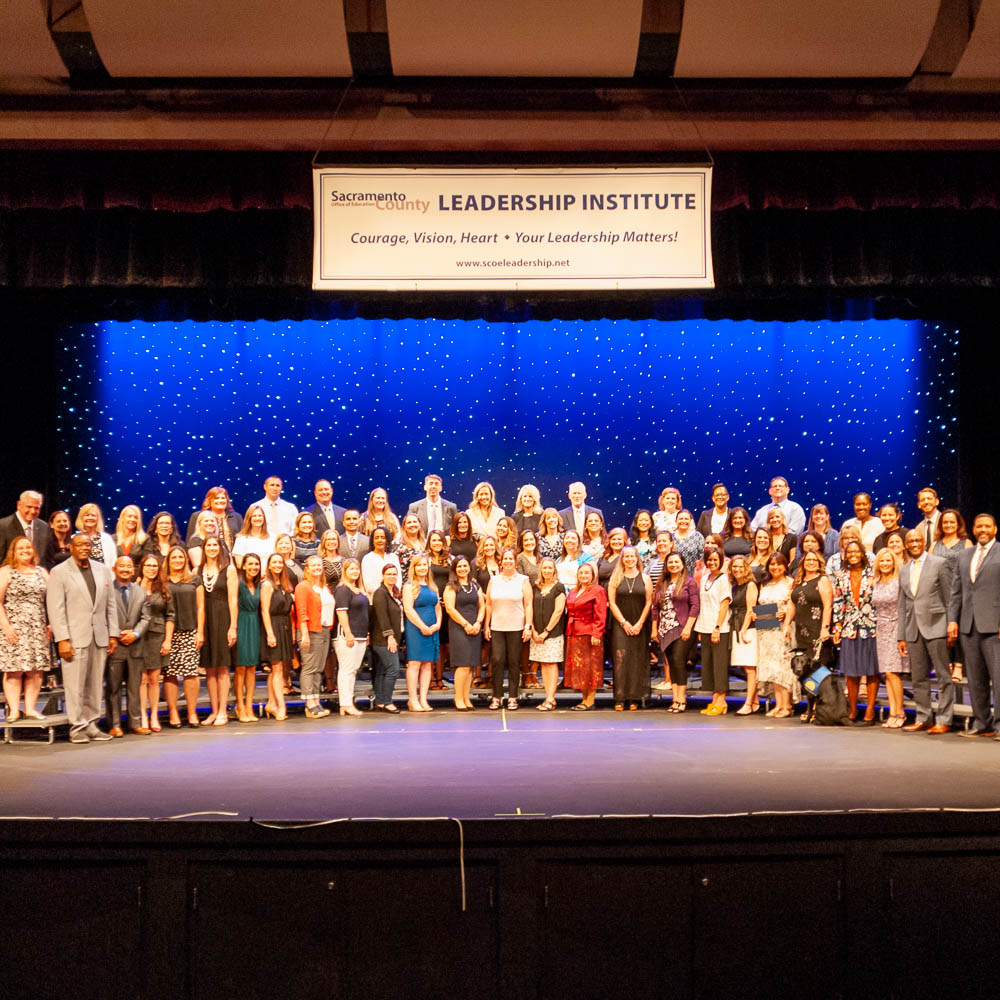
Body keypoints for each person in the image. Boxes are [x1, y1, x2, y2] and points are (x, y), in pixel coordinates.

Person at [46, 533, 119, 743]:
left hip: (99, 636)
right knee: (74, 685)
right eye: (80, 545)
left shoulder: (102, 570)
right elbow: (56, 608)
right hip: (74, 637)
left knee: (95, 684)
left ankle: (92, 724)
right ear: (71, 547)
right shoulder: (60, 572)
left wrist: (113, 633)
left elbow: (110, 605)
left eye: (88, 545)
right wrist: (62, 639)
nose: (85, 548)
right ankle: (77, 726)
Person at [948, 513, 1000, 739]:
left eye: (987, 526)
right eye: (979, 526)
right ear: (974, 528)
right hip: (968, 625)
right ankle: (982, 723)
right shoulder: (964, 555)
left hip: (994, 625)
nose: (983, 529)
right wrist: (952, 619)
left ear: (995, 529)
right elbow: (956, 591)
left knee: (998, 679)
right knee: (976, 679)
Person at [897, 530, 954, 733]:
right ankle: (924, 717)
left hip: (936, 625)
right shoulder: (904, 570)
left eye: (917, 540)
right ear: (906, 544)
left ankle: (944, 718)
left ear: (924, 542)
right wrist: (901, 636)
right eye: (910, 541)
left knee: (942, 676)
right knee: (918, 677)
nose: (914, 543)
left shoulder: (939, 563)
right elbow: (903, 605)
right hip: (913, 629)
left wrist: (951, 623)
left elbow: (950, 597)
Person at [0, 537, 52, 722]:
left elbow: (53, 600)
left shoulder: (41, 572)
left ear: (34, 550)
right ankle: (14, 710)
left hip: (37, 627)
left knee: (35, 670)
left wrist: (51, 623)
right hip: (14, 628)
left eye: (28, 547)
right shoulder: (6, 572)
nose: (25, 550)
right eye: (20, 548)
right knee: (13, 670)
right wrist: (6, 626)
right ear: (13, 551)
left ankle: (30, 709)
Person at [832, 540, 879, 724]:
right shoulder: (841, 576)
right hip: (849, 627)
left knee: (872, 670)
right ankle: (852, 710)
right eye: (849, 552)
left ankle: (870, 710)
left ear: (862, 554)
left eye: (856, 552)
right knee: (851, 671)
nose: (852, 555)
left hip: (871, 626)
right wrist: (837, 627)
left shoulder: (873, 574)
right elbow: (838, 603)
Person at [104, 555, 151, 736]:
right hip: (114, 645)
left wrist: (135, 633)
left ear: (133, 570)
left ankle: (135, 722)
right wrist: (115, 634)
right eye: (121, 566)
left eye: (128, 566)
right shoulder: (107, 590)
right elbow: (104, 615)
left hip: (135, 645)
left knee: (134, 687)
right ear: (115, 569)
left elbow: (146, 617)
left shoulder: (140, 592)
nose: (125, 569)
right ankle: (114, 724)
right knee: (113, 688)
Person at [484, 548, 532, 711]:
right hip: (497, 626)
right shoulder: (494, 580)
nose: (508, 561)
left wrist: (528, 626)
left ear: (515, 562)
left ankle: (512, 696)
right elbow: (488, 604)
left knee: (513, 662)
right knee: (497, 661)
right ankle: (497, 696)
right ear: (501, 561)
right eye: (505, 559)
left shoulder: (523, 580)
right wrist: (486, 625)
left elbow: (528, 604)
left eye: (511, 559)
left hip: (516, 627)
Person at [651, 551, 699, 711]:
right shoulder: (662, 583)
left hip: (682, 627)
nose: (673, 565)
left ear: (682, 564)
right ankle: (675, 698)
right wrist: (654, 629)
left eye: (676, 562)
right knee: (671, 663)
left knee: (679, 661)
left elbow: (695, 606)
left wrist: (687, 628)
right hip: (665, 629)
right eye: (670, 562)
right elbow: (655, 609)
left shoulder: (689, 582)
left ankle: (682, 699)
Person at [162, 546, 204, 728]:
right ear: (169, 560)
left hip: (189, 630)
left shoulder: (194, 579)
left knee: (190, 673)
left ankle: (192, 712)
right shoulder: (162, 580)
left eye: (181, 557)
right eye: (174, 557)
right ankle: (173, 712)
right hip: (168, 633)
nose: (178, 560)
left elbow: (201, 607)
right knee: (170, 674)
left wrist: (200, 631)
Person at [607, 546, 653, 711]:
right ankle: (620, 697)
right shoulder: (616, 578)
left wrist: (640, 623)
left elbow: (649, 602)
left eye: (632, 556)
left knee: (636, 660)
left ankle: (634, 697)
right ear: (622, 559)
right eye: (626, 556)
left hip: (640, 623)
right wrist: (624, 622)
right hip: (621, 623)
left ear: (637, 558)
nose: (629, 559)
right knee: (621, 660)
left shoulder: (645, 578)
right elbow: (611, 603)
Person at [198, 535, 237, 726]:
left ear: (221, 548)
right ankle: (213, 711)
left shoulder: (228, 569)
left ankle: (223, 710)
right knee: (209, 669)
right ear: (204, 549)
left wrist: (233, 626)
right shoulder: (198, 570)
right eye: (209, 545)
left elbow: (233, 600)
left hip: (222, 619)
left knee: (221, 668)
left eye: (215, 545)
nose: (212, 548)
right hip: (205, 621)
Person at [789, 549, 834, 708]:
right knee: (806, 671)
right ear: (803, 562)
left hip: (817, 631)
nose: (811, 563)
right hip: (802, 632)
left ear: (819, 563)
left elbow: (828, 605)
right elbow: (792, 603)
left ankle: (819, 707)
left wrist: (825, 628)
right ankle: (811, 706)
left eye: (814, 560)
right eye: (808, 560)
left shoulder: (822, 580)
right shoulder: (799, 580)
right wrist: (787, 625)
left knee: (818, 668)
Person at [932, 509, 972, 684]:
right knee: (943, 630)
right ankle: (946, 663)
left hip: (960, 591)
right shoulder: (935, 544)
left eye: (952, 522)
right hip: (939, 591)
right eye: (945, 522)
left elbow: (971, 570)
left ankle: (959, 665)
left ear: (958, 524)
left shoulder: (966, 543)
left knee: (959, 629)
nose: (948, 525)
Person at [135, 553, 173, 733]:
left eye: (154, 566)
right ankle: (142, 715)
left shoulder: (164, 589)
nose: (151, 569)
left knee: (154, 679)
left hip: (157, 636)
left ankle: (154, 715)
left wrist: (167, 640)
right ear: (142, 568)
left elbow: (170, 616)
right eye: (148, 565)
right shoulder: (134, 588)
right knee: (142, 678)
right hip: (139, 637)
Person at [295, 555, 334, 719]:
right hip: (310, 631)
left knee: (318, 669)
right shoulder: (303, 587)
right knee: (310, 668)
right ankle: (309, 703)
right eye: (313, 565)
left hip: (324, 630)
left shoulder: (324, 587)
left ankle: (316, 700)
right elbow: (301, 611)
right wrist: (304, 634)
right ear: (307, 569)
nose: (317, 568)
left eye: (319, 565)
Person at [694, 547, 732, 715]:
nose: (712, 562)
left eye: (715, 559)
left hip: (720, 628)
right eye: (709, 559)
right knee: (709, 665)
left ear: (721, 561)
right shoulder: (704, 578)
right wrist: (703, 628)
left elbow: (724, 604)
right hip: (705, 626)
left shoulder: (724, 579)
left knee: (719, 665)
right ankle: (714, 698)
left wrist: (717, 627)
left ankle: (722, 701)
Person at [564, 562, 607, 710]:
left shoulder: (598, 590)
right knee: (580, 667)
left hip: (590, 633)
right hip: (574, 632)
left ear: (593, 575)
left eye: (586, 573)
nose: (583, 576)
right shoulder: (573, 591)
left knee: (591, 666)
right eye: (581, 573)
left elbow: (601, 614)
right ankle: (583, 698)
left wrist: (597, 633)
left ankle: (590, 700)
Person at [757, 553, 796, 718]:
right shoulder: (764, 584)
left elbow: (791, 605)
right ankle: (778, 704)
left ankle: (787, 705)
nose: (775, 567)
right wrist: (761, 616)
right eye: (772, 564)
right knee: (771, 668)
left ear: (785, 566)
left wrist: (785, 617)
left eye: (778, 564)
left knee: (783, 667)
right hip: (766, 629)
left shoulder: (790, 583)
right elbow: (761, 606)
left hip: (782, 629)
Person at [872, 548, 907, 729]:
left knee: (894, 672)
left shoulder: (899, 581)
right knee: (886, 672)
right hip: (881, 628)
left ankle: (900, 712)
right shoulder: (876, 581)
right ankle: (892, 712)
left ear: (894, 562)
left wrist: (903, 635)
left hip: (896, 627)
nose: (885, 564)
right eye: (882, 561)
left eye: (888, 560)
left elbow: (905, 608)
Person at [444, 556, 485, 711]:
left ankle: (466, 697)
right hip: (459, 628)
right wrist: (466, 624)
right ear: (455, 569)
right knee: (462, 664)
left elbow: (482, 606)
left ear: (469, 567)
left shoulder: (475, 585)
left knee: (470, 665)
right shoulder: (451, 586)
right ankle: (458, 697)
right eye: (459, 566)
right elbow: (450, 609)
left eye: (465, 566)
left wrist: (478, 622)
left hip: (474, 627)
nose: (462, 569)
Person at [402, 554, 441, 712]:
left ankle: (423, 699)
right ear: (414, 567)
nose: (422, 568)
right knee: (415, 663)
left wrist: (437, 624)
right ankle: (413, 700)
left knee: (427, 664)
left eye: (425, 565)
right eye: (419, 565)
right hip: (416, 629)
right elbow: (408, 609)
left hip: (432, 629)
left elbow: (438, 607)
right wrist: (422, 626)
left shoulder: (433, 586)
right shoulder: (409, 586)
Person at [260, 551, 295, 721]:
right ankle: (281, 706)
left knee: (277, 669)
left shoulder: (284, 585)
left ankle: (271, 703)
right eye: (274, 562)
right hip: (273, 626)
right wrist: (269, 633)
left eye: (280, 562)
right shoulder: (267, 585)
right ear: (269, 565)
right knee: (277, 668)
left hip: (285, 627)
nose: (277, 565)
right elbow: (264, 610)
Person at [333, 557, 370, 715]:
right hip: (347, 635)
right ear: (345, 571)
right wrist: (348, 633)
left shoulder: (359, 589)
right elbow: (341, 612)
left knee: (353, 670)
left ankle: (348, 701)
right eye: (351, 569)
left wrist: (366, 633)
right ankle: (346, 704)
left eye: (356, 569)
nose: (355, 571)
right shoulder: (342, 589)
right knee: (346, 670)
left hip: (360, 635)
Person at [529, 558, 566, 712]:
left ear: (554, 570)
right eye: (545, 568)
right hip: (536, 633)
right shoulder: (535, 587)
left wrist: (546, 631)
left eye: (550, 568)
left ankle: (551, 698)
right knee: (543, 664)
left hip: (552, 633)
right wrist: (532, 630)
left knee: (551, 663)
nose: (547, 570)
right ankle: (547, 696)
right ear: (541, 570)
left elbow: (558, 611)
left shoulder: (559, 587)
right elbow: (528, 607)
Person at [727, 555, 760, 715]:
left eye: (741, 566)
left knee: (750, 668)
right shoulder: (734, 586)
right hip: (737, 626)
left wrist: (744, 630)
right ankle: (754, 702)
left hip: (748, 629)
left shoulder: (751, 585)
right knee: (746, 667)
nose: (737, 569)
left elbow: (751, 610)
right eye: (734, 566)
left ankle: (748, 703)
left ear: (746, 568)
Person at [370, 563, 404, 713]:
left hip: (392, 638)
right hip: (383, 639)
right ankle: (388, 701)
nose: (392, 577)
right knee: (393, 669)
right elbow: (382, 616)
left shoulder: (393, 592)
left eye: (394, 574)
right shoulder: (380, 593)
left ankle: (380, 701)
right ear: (383, 576)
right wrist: (389, 636)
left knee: (383, 670)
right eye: (389, 574)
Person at [233, 552, 262, 723]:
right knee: (240, 667)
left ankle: (249, 705)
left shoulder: (259, 584)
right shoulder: (238, 583)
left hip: (254, 624)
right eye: (250, 564)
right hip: (241, 621)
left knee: (251, 667)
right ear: (243, 566)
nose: (253, 567)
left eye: (256, 564)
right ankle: (240, 706)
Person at [427, 529, 452, 690]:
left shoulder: (450, 560)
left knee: (443, 645)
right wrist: (435, 598)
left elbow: (454, 579)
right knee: (431, 643)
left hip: (447, 607)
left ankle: (439, 677)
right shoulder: (425, 560)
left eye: (439, 540)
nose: (437, 543)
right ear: (429, 543)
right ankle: (430, 679)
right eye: (434, 540)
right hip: (430, 605)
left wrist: (448, 599)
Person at [0, 491, 51, 564]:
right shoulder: (3, 526)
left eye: (36, 508)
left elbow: (48, 559)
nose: (33, 511)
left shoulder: (44, 527)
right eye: (29, 507)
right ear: (19, 505)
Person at [361, 526, 401, 596]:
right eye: (376, 538)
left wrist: (393, 593)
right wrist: (385, 594)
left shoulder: (393, 557)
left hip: (394, 597)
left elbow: (399, 579)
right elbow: (368, 586)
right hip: (376, 598)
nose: (380, 540)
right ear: (372, 541)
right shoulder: (367, 559)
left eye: (383, 537)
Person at [232, 504, 272, 569]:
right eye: (254, 516)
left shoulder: (272, 537)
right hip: (250, 576)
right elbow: (239, 564)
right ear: (249, 518)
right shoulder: (241, 538)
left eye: (260, 516)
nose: (257, 518)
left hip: (270, 575)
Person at [394, 513, 427, 583]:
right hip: (405, 586)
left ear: (420, 525)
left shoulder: (427, 544)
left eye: (414, 522)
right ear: (404, 527)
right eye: (409, 522)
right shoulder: (397, 545)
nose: (412, 525)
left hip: (424, 585)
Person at [672, 509, 705, 575]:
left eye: (686, 519)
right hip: (673, 576)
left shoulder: (697, 536)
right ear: (676, 521)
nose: (683, 521)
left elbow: (702, 558)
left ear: (690, 521)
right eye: (681, 519)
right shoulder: (670, 537)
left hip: (692, 577)